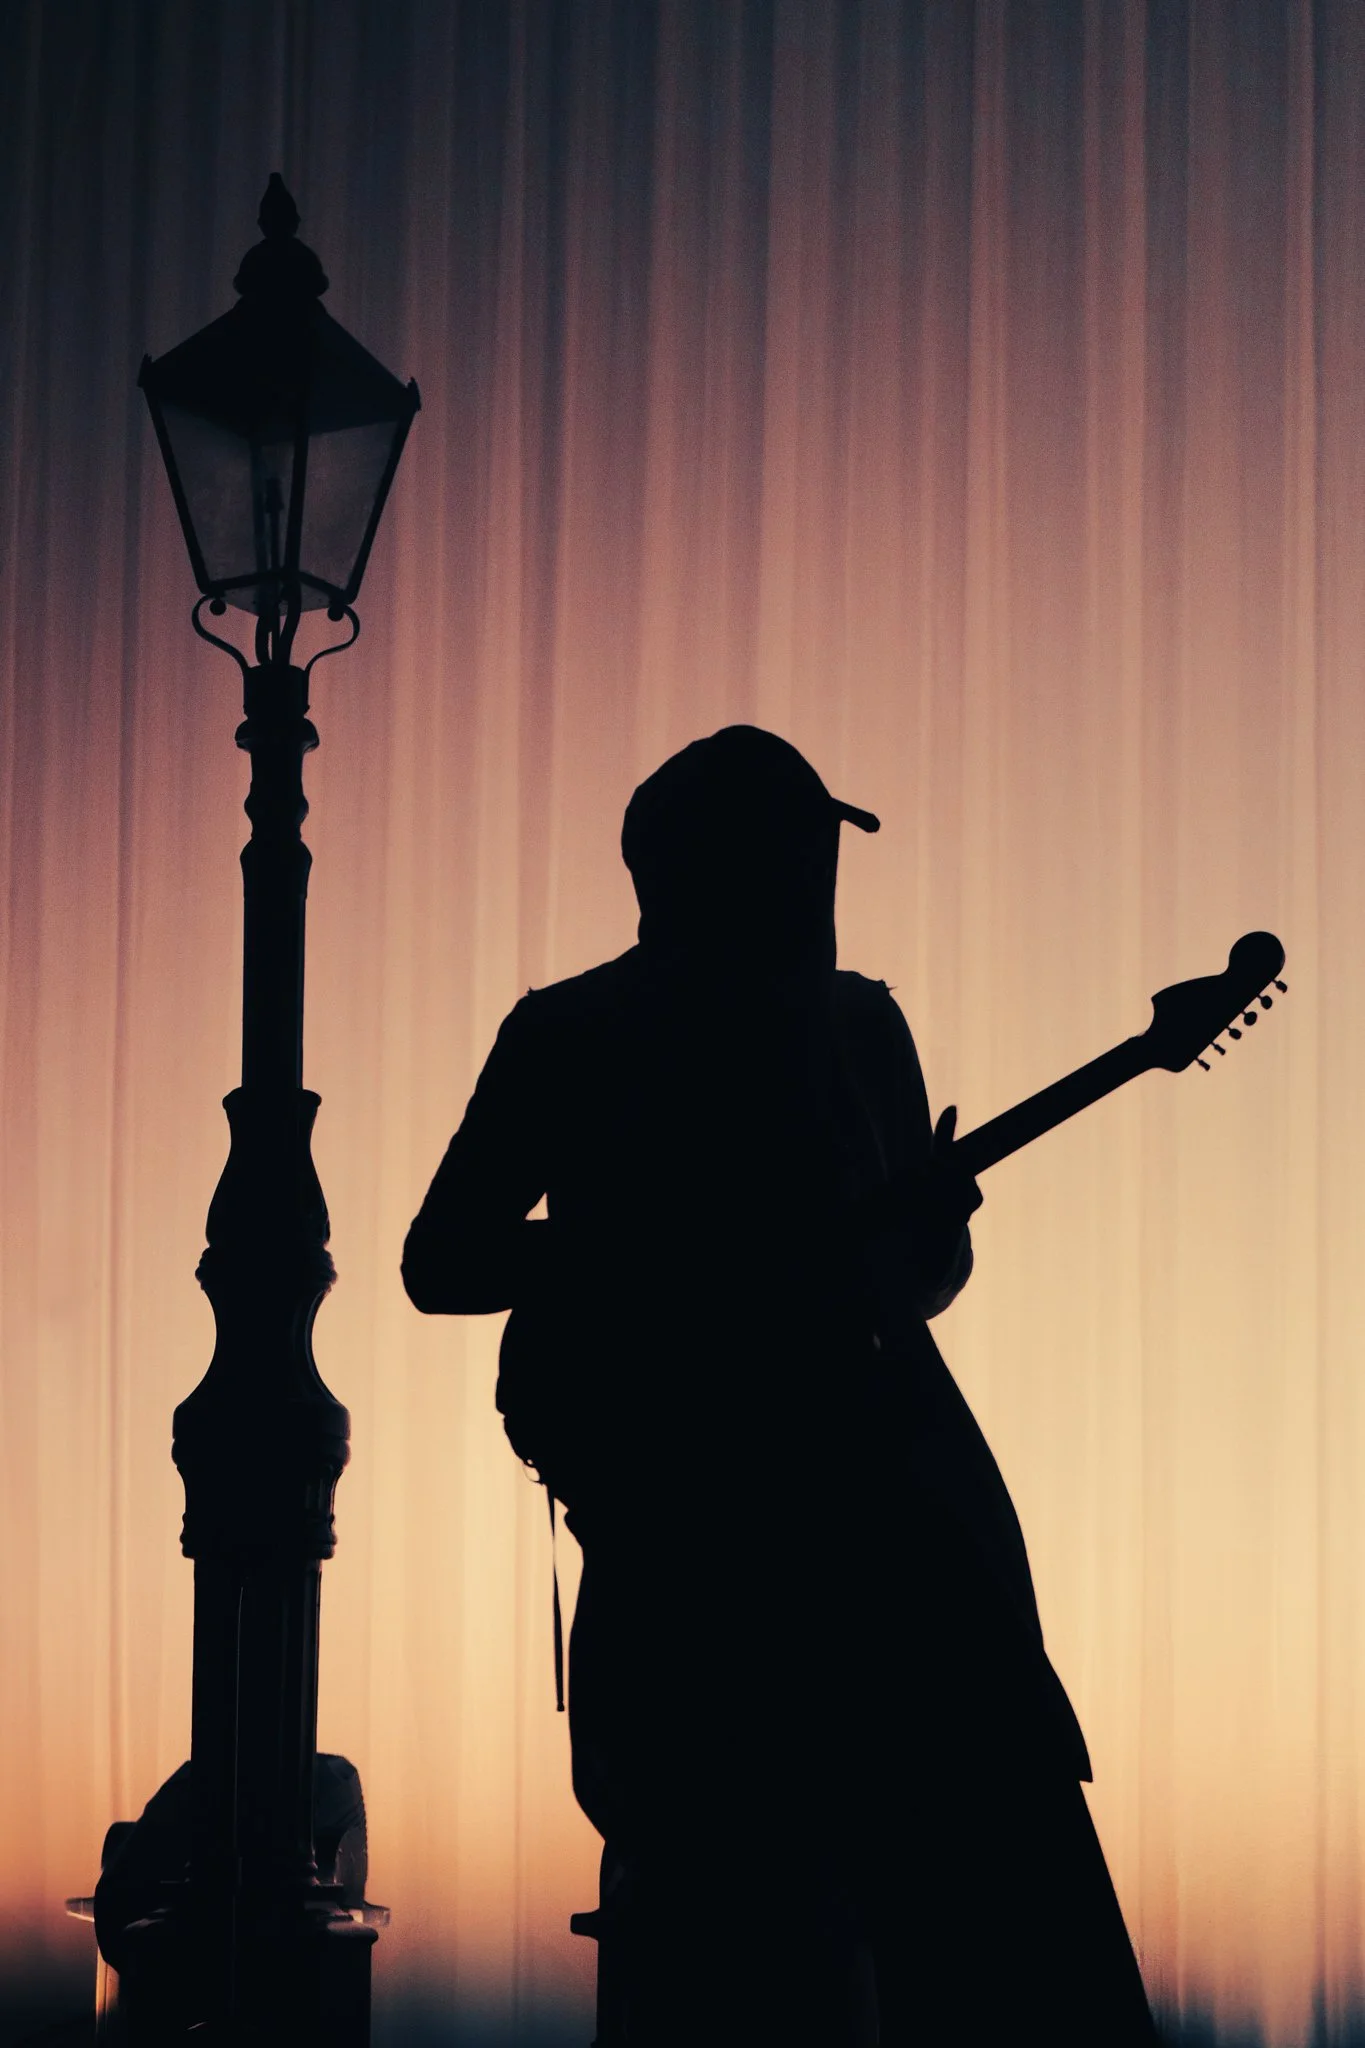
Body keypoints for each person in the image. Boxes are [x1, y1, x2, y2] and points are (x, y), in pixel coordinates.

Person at [402, 725, 1157, 2045]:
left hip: (891, 1531)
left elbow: (909, 1281)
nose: (821, 879)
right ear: (714, 870)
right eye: (799, 850)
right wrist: (647, 1252)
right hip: (697, 1553)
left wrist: (932, 1223)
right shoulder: (574, 1032)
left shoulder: (858, 1022)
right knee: (731, 1929)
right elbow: (442, 1259)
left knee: (966, 1921)